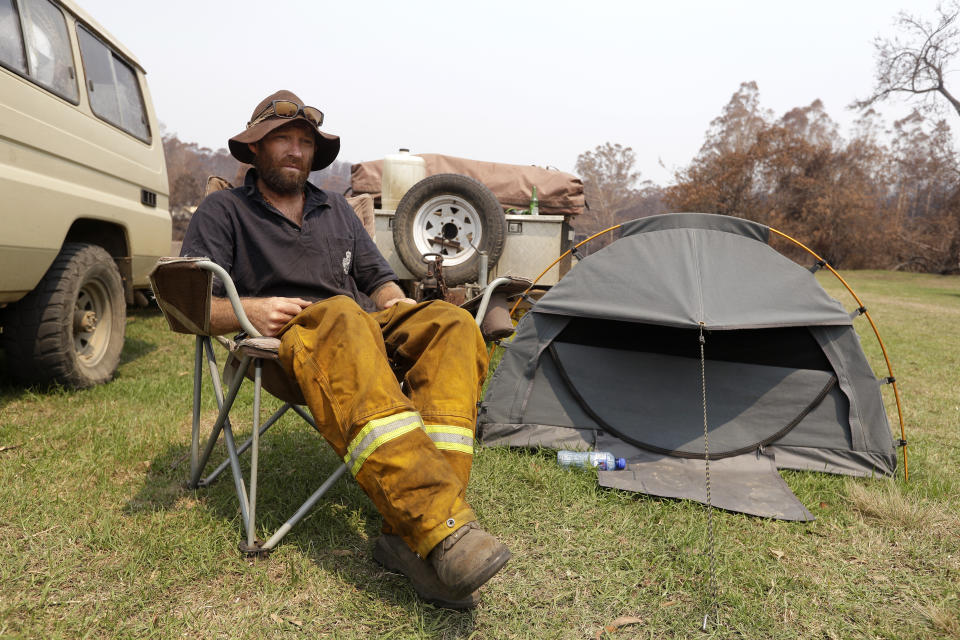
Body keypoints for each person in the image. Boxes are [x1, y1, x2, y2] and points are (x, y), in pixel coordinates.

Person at [180, 90, 510, 609]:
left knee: (451, 325)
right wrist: (250, 309)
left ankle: (408, 539)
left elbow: (378, 279)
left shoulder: (335, 208)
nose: (294, 150)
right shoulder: (225, 210)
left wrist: (399, 306)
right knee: (339, 314)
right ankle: (440, 531)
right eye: (281, 140)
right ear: (255, 150)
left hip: (364, 335)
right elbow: (192, 302)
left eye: (304, 142)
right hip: (286, 350)